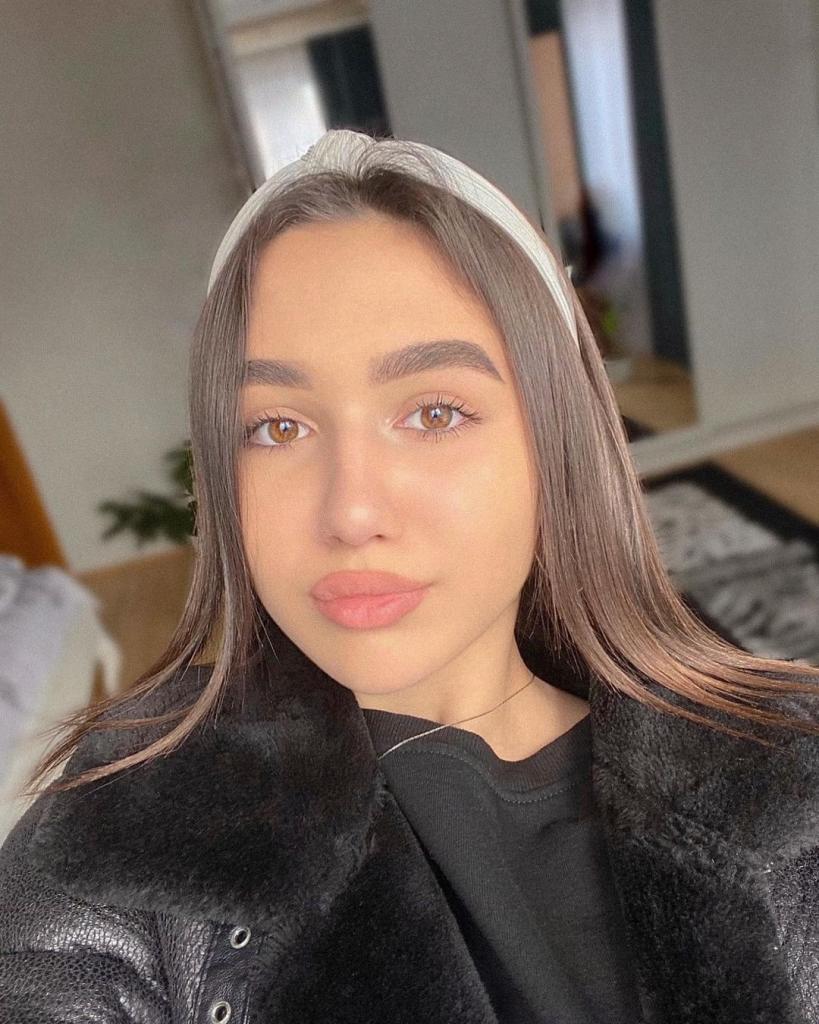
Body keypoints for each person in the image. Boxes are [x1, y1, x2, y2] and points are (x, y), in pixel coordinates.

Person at [0, 128, 817, 1024]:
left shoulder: (790, 765)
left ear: (557, 445)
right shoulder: (125, 823)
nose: (351, 512)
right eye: (276, 427)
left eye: (433, 413)